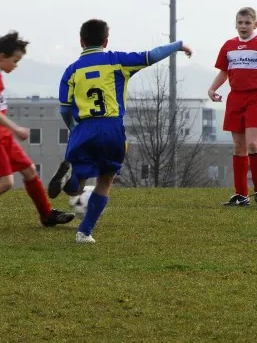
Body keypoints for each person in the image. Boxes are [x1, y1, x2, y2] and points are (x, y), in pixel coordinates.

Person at [47, 19, 192, 243]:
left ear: (81, 41)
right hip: (111, 127)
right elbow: (151, 55)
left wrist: (73, 129)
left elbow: (65, 109)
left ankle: (70, 178)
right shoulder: (116, 61)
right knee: (106, 179)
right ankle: (84, 232)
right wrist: (178, 45)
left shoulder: (71, 71)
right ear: (106, 41)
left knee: (78, 183)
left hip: (83, 128)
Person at [0, 31, 75, 229]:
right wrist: (16, 128)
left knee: (29, 170)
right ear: (1, 56)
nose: (16, 65)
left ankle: (46, 215)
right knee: (6, 183)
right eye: (15, 60)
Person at [207, 7, 257, 207]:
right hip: (235, 98)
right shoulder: (229, 46)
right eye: (240, 22)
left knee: (252, 144)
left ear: (255, 24)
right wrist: (212, 89)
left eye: (247, 23)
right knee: (238, 147)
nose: (243, 26)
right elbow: (224, 72)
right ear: (235, 24)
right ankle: (241, 195)